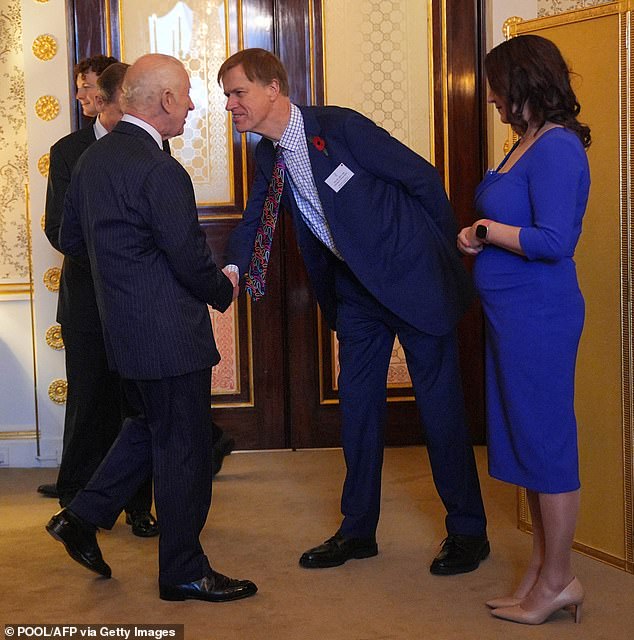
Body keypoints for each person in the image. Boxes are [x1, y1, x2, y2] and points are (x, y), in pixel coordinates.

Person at [218, 48, 488, 575]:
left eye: (237, 93)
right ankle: (357, 530)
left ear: (273, 88)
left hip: (414, 282)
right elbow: (257, 219)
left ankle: (468, 533)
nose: (230, 105)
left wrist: (441, 257)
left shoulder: (339, 128)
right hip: (355, 292)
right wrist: (232, 271)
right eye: (226, 95)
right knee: (358, 410)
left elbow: (424, 179)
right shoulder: (266, 156)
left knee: (440, 412)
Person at [46, 53, 257, 603]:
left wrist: (125, 274)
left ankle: (81, 517)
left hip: (122, 332)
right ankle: (184, 571)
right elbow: (189, 260)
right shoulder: (160, 169)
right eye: (186, 94)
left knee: (146, 428)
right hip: (168, 338)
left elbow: (71, 241)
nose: (191, 104)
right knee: (183, 451)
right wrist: (226, 288)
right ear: (164, 100)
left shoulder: (92, 160)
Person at [457, 35, 591, 625]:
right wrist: (478, 233)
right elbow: (513, 222)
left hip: (540, 317)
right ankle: (541, 570)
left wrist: (486, 231)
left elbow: (556, 242)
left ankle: (560, 580)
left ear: (522, 82)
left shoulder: (558, 148)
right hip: (512, 317)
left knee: (547, 447)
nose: (490, 96)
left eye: (495, 84)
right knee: (527, 448)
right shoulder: (526, 141)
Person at [42, 57, 158, 538]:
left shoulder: (152, 146)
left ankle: (137, 506)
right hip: (89, 302)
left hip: (137, 303)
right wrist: (118, 263)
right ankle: (76, 502)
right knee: (90, 401)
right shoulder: (68, 151)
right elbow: (59, 230)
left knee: (138, 403)